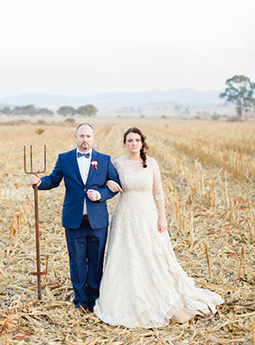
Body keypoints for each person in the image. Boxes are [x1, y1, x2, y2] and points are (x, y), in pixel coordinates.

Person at [92, 127, 224, 328]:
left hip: (147, 214)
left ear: (142, 143)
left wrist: (162, 217)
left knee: (151, 253)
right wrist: (110, 180)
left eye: (137, 140)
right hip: (125, 215)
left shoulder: (151, 163)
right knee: (125, 254)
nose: (133, 143)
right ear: (125, 143)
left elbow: (159, 192)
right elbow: (106, 181)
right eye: (130, 140)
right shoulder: (117, 163)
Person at [30, 123, 121, 313]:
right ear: (75, 137)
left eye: (88, 136)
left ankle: (94, 300)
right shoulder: (65, 159)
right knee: (77, 261)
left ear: (93, 137)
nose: (84, 140)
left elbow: (114, 186)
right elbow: (53, 180)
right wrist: (39, 182)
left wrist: (101, 194)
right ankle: (80, 300)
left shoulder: (104, 160)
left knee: (96, 261)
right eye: (81, 136)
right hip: (74, 220)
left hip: (97, 221)